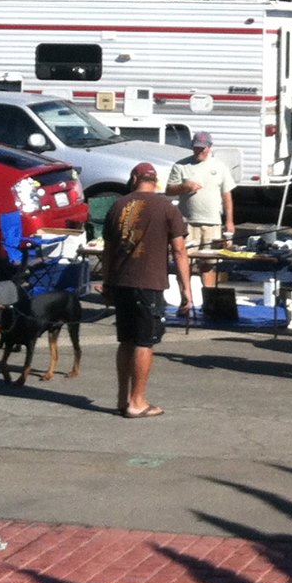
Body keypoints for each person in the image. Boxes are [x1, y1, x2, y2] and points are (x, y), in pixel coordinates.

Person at [102, 161, 189, 417]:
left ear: (134, 178)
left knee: (126, 340)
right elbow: (180, 251)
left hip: (121, 282)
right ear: (156, 181)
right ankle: (137, 402)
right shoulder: (166, 207)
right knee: (144, 341)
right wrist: (187, 290)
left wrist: (107, 282)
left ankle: (123, 398)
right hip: (148, 282)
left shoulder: (118, 205)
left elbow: (107, 251)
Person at [166, 131, 237, 303]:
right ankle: (185, 300)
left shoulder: (219, 167)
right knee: (184, 263)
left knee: (208, 264)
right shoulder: (181, 166)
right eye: (196, 148)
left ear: (210, 147)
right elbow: (169, 190)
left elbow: (226, 195)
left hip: (212, 222)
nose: (199, 152)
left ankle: (209, 302)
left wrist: (229, 221)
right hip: (187, 222)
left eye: (202, 149)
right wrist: (184, 187)